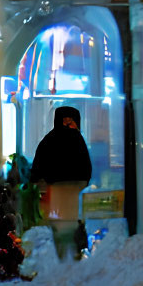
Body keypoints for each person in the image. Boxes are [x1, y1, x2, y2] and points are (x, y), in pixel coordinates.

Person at [30, 104, 93, 260]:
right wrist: (85, 182)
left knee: (60, 222)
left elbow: (38, 164)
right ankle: (75, 254)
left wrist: (35, 181)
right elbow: (86, 165)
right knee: (72, 219)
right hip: (75, 188)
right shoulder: (78, 139)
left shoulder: (50, 139)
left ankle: (62, 254)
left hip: (57, 187)